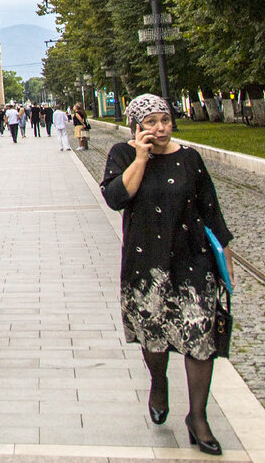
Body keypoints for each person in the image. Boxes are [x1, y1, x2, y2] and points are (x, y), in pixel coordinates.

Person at [100, 94, 234, 455]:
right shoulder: (123, 155)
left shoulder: (190, 158)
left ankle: (198, 418)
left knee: (200, 339)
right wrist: (142, 158)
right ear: (137, 127)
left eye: (165, 120)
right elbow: (116, 198)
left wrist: (225, 255)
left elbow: (211, 208)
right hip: (147, 266)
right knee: (154, 339)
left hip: (193, 262)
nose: (160, 127)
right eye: (151, 122)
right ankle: (158, 382)